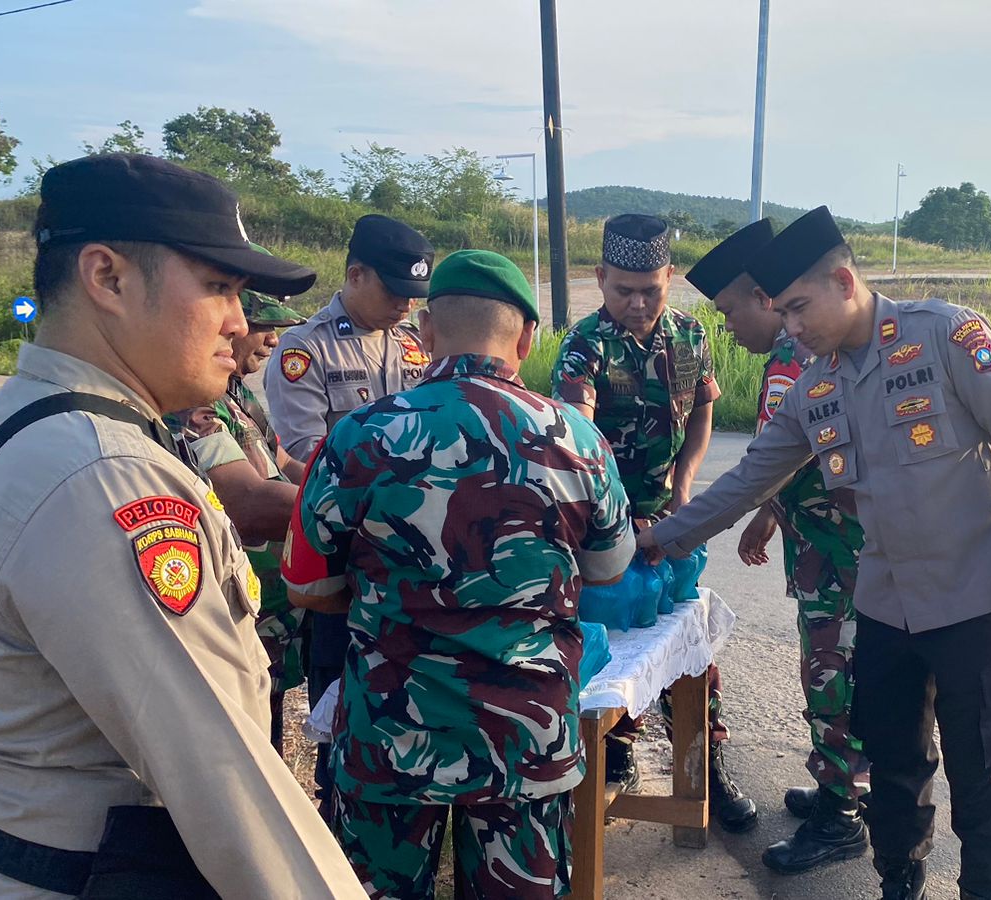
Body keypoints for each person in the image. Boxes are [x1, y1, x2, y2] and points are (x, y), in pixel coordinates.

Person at [0, 153, 365, 898]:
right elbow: (223, 774)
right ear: (107, 278)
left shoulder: (32, 419)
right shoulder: (101, 473)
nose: (240, 322)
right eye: (219, 286)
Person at [637, 206, 991, 900]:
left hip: (973, 598)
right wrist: (658, 538)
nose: (792, 327)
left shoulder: (947, 335)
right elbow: (750, 478)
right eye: (782, 312)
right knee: (892, 768)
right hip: (885, 607)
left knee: (984, 775)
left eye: (799, 308)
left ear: (843, 281)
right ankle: (899, 879)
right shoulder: (816, 387)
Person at [283, 250, 635, 899]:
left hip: (391, 735)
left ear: (424, 331)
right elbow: (609, 571)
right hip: (526, 738)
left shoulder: (358, 436)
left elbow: (307, 586)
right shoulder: (579, 440)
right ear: (527, 337)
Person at [550, 213, 756, 833]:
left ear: (670, 278)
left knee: (686, 645)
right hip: (603, 526)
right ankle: (616, 755)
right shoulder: (585, 345)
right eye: (623, 291)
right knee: (613, 644)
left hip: (671, 519)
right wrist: (613, 515)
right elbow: (578, 435)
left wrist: (685, 487)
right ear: (600, 278)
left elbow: (702, 413)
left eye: (651, 291)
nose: (637, 304)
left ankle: (706, 765)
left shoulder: (690, 335)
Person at [687, 219, 871, 874]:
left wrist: (752, 513)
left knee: (831, 676)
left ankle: (841, 816)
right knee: (851, 673)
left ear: (764, 299)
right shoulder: (806, 352)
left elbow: (769, 467)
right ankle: (847, 788)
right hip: (840, 548)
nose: (728, 327)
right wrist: (770, 518)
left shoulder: (792, 362)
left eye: (729, 311)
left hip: (837, 554)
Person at [263, 212, 434, 817]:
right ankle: (338, 824)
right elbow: (305, 460)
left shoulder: (412, 343)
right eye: (394, 291)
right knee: (343, 707)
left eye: (414, 295)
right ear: (356, 275)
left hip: (411, 561)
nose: (405, 306)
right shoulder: (305, 350)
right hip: (347, 565)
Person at [168, 264, 311, 751]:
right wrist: (359, 509)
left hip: (271, 614)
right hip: (237, 620)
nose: (273, 341)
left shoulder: (235, 392)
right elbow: (247, 501)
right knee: (243, 751)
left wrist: (344, 480)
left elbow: (283, 463)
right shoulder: (192, 404)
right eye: (263, 325)